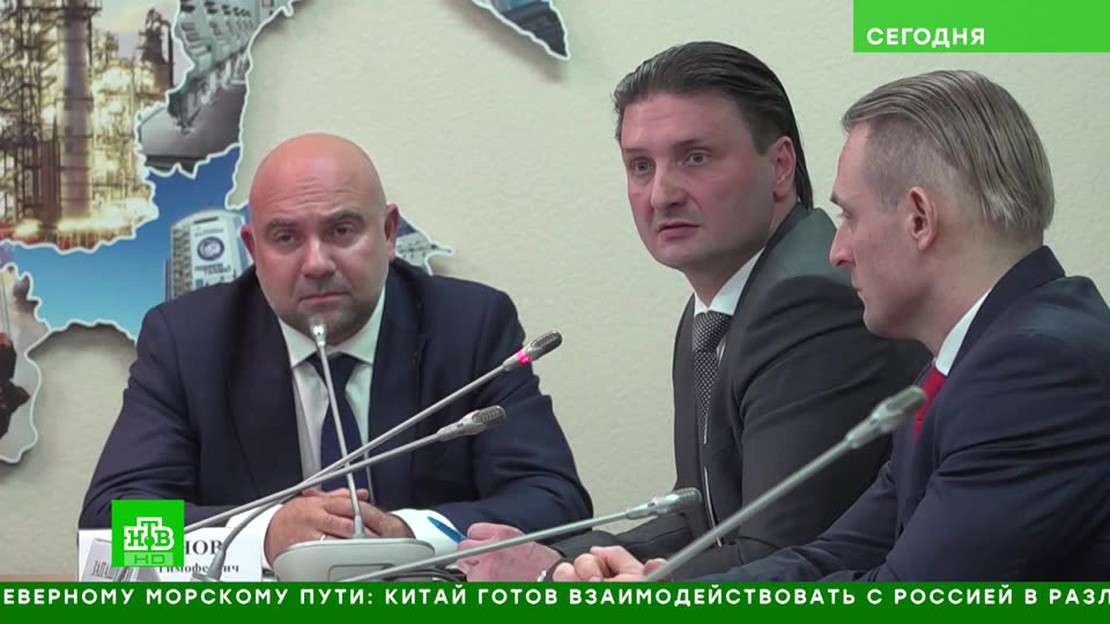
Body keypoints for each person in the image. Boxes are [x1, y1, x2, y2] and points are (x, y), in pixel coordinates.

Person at [557, 69, 1110, 582]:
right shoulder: (972, 358)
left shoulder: (1035, 370)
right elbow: (832, 554)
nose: (837, 250)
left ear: (919, 219)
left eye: (850, 216)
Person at [457, 42, 927, 582]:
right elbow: (701, 516)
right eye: (640, 166)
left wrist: (557, 578)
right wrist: (555, 553)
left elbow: (774, 552)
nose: (661, 195)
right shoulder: (719, 304)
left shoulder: (809, 302)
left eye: (695, 158)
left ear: (779, 167)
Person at [80, 133, 592, 565]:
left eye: (341, 231)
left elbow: (556, 503)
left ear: (388, 233)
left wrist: (411, 535)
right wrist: (263, 535)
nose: (316, 263)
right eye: (286, 238)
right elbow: (110, 528)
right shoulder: (188, 341)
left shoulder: (470, 326)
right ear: (253, 250)